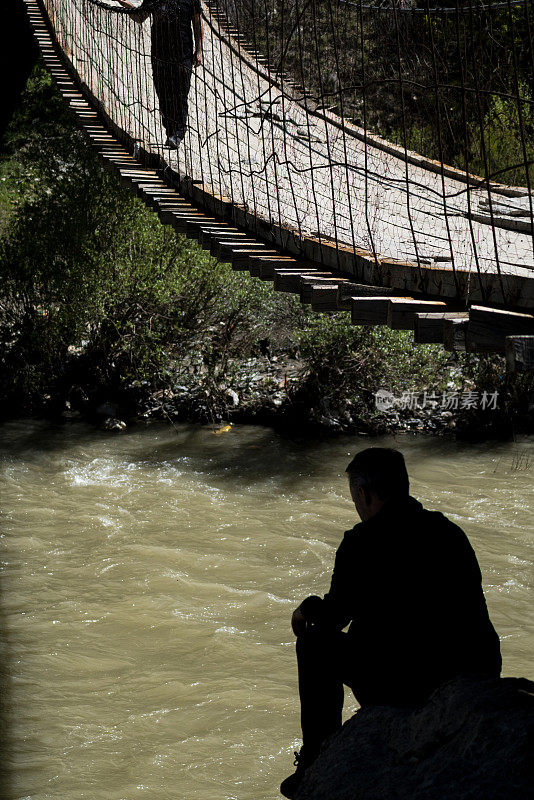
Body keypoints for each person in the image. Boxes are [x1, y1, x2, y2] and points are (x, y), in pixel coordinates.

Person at [280, 447, 501, 799]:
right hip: (468, 675)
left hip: (402, 685)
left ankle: (315, 757)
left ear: (364, 494)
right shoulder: (450, 533)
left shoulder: (361, 542)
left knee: (313, 641)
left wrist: (304, 611)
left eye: (355, 497)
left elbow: (335, 617)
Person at [115, 0, 203, 146]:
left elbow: (197, 21)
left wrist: (199, 50)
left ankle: (178, 133)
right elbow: (140, 16)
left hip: (183, 53)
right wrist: (123, 2)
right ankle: (170, 132)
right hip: (160, 54)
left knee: (180, 94)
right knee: (163, 95)